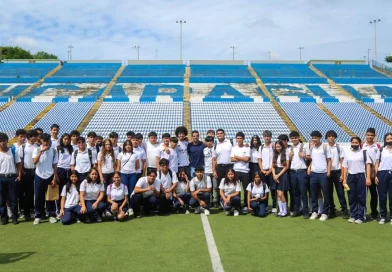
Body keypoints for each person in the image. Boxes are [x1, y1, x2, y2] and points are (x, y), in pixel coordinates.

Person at [343, 137, 371, 224]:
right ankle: (353, 215)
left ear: (359, 143)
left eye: (356, 142)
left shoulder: (364, 152)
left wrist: (368, 178)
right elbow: (345, 166)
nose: (354, 144)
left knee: (361, 197)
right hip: (350, 177)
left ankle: (361, 216)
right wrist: (344, 179)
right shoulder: (347, 153)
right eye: (353, 142)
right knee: (351, 197)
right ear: (351, 143)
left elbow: (368, 165)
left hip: (361, 176)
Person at [32, 133, 59, 225]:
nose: (46, 142)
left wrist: (55, 177)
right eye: (44, 140)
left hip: (50, 175)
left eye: (47, 140)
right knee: (39, 197)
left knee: (51, 197)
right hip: (39, 176)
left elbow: (55, 165)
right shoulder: (36, 149)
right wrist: (41, 152)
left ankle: (51, 215)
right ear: (41, 141)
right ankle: (38, 216)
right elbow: (34, 162)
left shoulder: (54, 151)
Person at [307, 131, 331, 221]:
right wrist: (309, 167)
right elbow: (313, 159)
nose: (314, 139)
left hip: (323, 173)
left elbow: (329, 160)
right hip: (314, 173)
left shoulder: (325, 147)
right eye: (313, 137)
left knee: (325, 193)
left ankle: (325, 213)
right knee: (314, 193)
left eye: (316, 138)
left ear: (320, 138)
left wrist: (328, 171)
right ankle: (314, 211)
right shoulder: (312, 147)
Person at [325, 130, 348, 219]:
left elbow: (342, 161)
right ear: (327, 137)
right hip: (328, 172)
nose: (331, 138)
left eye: (332, 136)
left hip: (338, 172)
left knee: (340, 192)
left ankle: (344, 209)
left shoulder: (339, 147)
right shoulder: (324, 147)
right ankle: (332, 210)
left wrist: (342, 174)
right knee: (329, 192)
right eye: (329, 136)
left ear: (335, 137)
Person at [0, 133, 22, 225]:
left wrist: (19, 175)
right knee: (1, 200)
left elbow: (18, 164)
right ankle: (4, 217)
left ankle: (14, 217)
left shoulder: (13, 151)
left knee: (13, 199)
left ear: (7, 141)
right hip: (1, 177)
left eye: (3, 140)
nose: (2, 143)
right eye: (0, 141)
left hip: (12, 177)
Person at [362, 127, 381, 221]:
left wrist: (375, 173)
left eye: (372, 135)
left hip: (373, 173)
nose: (370, 137)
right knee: (363, 195)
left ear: (374, 136)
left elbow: (378, 161)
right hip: (363, 173)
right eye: (368, 135)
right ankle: (362, 214)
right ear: (366, 135)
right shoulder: (361, 146)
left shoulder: (377, 147)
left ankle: (374, 213)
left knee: (374, 195)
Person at [289, 131, 309, 218]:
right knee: (295, 193)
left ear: (298, 137)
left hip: (301, 171)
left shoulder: (304, 146)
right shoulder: (290, 148)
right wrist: (290, 156)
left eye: (295, 138)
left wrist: (304, 156)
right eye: (292, 138)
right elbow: (288, 160)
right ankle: (296, 210)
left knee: (303, 192)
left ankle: (305, 211)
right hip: (293, 171)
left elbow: (310, 157)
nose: (294, 139)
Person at [19, 129, 38, 221]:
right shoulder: (23, 147)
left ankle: (35, 211)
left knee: (35, 192)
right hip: (27, 171)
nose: (36, 137)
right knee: (28, 193)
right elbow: (21, 160)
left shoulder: (37, 146)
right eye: (34, 136)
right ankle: (27, 213)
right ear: (30, 137)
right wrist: (22, 171)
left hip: (36, 170)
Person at [116, 139, 139, 214]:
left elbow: (137, 166)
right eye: (126, 145)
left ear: (131, 146)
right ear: (124, 146)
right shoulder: (120, 154)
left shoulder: (135, 154)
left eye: (129, 145)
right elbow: (118, 166)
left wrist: (131, 170)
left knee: (131, 191)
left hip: (132, 174)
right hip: (123, 174)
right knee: (124, 191)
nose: (128, 146)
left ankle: (131, 207)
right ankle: (125, 207)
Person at [230, 132, 250, 213]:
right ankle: (237, 206)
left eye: (240, 138)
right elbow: (231, 159)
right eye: (238, 138)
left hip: (245, 171)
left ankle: (245, 205)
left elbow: (247, 159)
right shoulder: (234, 148)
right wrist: (243, 158)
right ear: (236, 139)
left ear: (243, 139)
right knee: (236, 189)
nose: (239, 140)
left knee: (246, 189)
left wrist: (237, 157)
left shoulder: (247, 148)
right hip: (236, 171)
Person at [375, 133, 392, 225]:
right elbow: (377, 163)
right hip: (382, 173)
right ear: (385, 140)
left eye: (391, 138)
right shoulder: (381, 150)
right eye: (388, 138)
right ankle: (383, 216)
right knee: (382, 196)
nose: (389, 140)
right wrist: (376, 175)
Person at [212, 129, 233, 207]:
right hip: (220, 167)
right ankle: (221, 202)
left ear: (224, 134)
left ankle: (233, 202)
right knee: (221, 185)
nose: (219, 135)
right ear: (216, 135)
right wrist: (214, 171)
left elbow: (240, 144)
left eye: (221, 133)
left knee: (231, 184)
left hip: (229, 166)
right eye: (218, 134)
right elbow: (214, 159)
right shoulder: (215, 144)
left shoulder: (230, 142)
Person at [56, 133, 73, 216]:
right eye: (65, 139)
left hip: (69, 171)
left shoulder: (71, 148)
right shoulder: (58, 148)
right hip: (60, 170)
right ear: (62, 139)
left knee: (69, 189)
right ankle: (59, 209)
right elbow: (55, 162)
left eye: (68, 139)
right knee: (60, 191)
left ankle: (67, 208)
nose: (66, 141)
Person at [258, 130, 275, 213]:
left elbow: (275, 159)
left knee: (273, 189)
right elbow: (259, 159)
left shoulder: (274, 146)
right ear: (263, 137)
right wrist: (262, 170)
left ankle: (274, 206)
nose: (267, 138)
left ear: (271, 137)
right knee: (264, 189)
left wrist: (271, 170)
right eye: (265, 136)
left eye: (268, 136)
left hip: (272, 171)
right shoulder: (261, 147)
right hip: (263, 171)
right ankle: (265, 205)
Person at [272, 140, 290, 217]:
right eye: (276, 147)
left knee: (281, 194)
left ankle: (285, 211)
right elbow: (272, 166)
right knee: (278, 194)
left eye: (279, 146)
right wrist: (274, 175)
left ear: (282, 146)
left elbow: (286, 167)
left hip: (282, 173)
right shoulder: (275, 154)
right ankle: (281, 210)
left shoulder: (286, 153)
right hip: (276, 173)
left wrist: (278, 175)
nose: (278, 148)